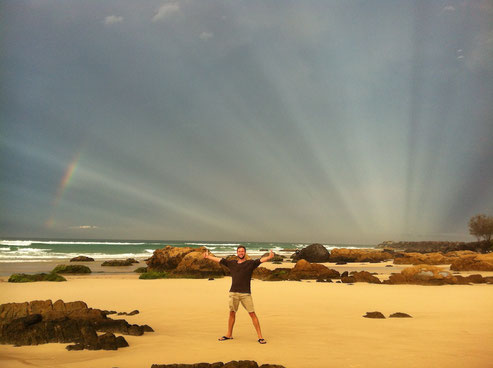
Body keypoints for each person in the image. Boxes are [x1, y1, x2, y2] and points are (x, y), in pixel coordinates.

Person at [204, 245, 274, 344]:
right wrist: (208, 257)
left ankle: (260, 337)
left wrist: (269, 257)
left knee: (252, 314)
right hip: (233, 292)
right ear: (237, 253)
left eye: (242, 251)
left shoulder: (250, 263)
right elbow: (220, 260)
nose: (241, 253)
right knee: (232, 313)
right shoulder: (231, 263)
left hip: (246, 294)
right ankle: (229, 334)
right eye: (239, 251)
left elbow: (260, 260)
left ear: (245, 253)